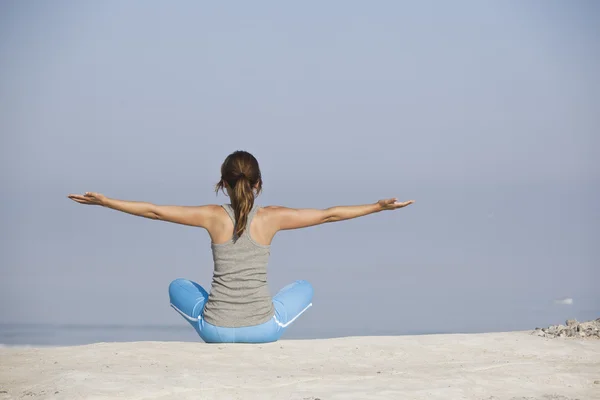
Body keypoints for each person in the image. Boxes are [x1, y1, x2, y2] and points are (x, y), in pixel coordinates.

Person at [68, 150, 414, 343]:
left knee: (178, 287)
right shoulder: (273, 217)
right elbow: (328, 216)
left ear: (222, 183)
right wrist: (377, 206)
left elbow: (155, 211)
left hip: (215, 330)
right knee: (303, 288)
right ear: (259, 184)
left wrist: (106, 202)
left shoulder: (210, 216)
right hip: (263, 330)